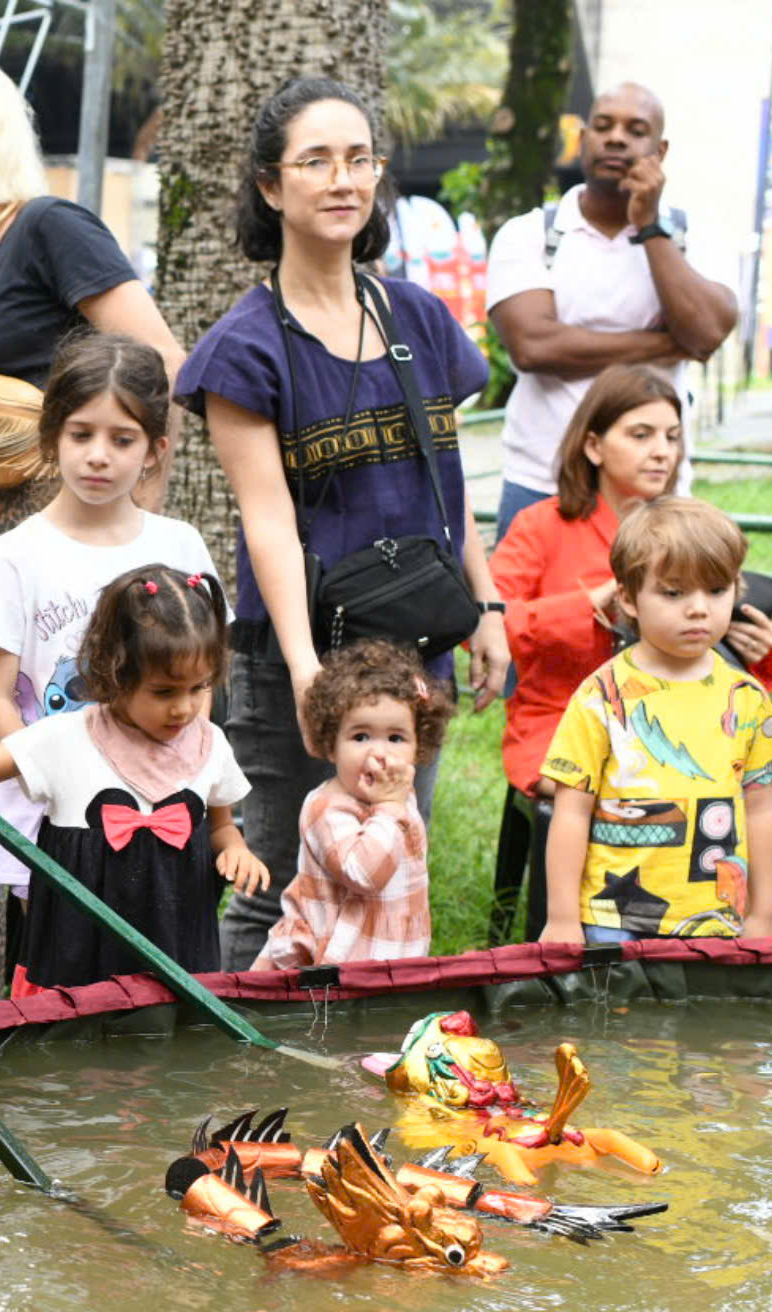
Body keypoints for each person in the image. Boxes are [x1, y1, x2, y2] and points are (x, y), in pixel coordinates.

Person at [176, 75, 507, 971]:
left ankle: (361, 1087)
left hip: (412, 656)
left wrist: (488, 609)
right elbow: (267, 522)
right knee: (274, 886)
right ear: (270, 186)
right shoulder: (245, 347)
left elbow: (448, 481)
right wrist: (304, 673)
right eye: (315, 160)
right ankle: (239, 1102)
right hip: (299, 651)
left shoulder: (421, 319)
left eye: (359, 159)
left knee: (392, 874)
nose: (342, 179)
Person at [0, 59, 186, 1011]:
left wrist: (117, 491)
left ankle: (65, 999)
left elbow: (158, 364)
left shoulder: (49, 226)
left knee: (84, 775)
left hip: (63, 533)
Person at [0, 332, 215, 972]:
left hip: (162, 818)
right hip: (52, 821)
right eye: (80, 434)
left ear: (154, 449)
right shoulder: (13, 556)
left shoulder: (182, 548)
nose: (99, 456)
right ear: (51, 438)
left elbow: (204, 688)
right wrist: (54, 775)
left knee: (161, 979)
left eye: (122, 440)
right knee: (55, 973)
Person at [0, 568, 267, 992]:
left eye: (199, 687)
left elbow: (220, 824)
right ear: (115, 671)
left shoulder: (209, 743)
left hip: (178, 949)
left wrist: (235, 850)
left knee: (172, 1047)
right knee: (76, 1048)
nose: (184, 709)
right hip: (77, 957)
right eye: (164, 692)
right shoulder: (69, 737)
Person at [493, 365, 772, 796]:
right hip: (560, 718)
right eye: (641, 435)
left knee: (734, 783)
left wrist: (755, 652)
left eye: (672, 436)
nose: (662, 452)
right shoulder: (540, 525)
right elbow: (487, 624)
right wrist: (588, 604)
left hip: (676, 717)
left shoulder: (688, 528)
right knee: (629, 784)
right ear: (593, 446)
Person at [483, 83, 739, 537]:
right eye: (603, 126)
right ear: (582, 141)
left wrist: (650, 226)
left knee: (654, 608)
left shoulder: (693, 236)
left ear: (659, 150)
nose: (616, 138)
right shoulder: (528, 234)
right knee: (532, 610)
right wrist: (666, 345)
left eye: (635, 130)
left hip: (653, 494)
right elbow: (534, 347)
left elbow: (704, 332)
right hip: (542, 483)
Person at [538, 499, 772, 944]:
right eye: (674, 593)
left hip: (716, 921)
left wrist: (762, 916)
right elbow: (571, 811)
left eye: (716, 590)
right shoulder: (600, 697)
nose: (698, 609)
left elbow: (763, 809)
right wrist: (561, 919)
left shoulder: (746, 699)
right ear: (628, 599)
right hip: (612, 921)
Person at [256, 639, 447, 971]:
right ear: (331, 745)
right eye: (360, 737)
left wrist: (392, 804)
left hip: (394, 956)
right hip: (339, 971)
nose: (380, 753)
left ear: (418, 747)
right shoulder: (328, 809)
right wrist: (389, 808)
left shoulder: (399, 794)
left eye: (396, 738)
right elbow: (363, 874)